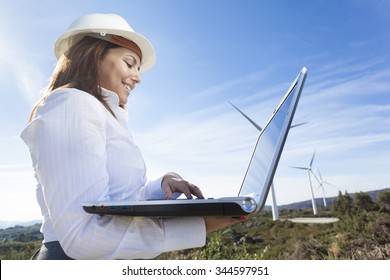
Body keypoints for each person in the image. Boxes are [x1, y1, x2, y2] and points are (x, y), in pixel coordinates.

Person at [21, 13, 240, 260]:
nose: (138, 77)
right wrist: (199, 225)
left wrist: (161, 185)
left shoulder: (104, 114)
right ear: (95, 55)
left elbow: (115, 200)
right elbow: (82, 235)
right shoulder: (72, 104)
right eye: (129, 63)